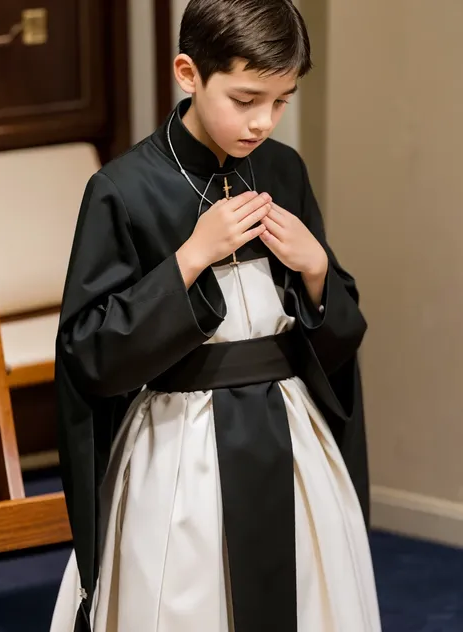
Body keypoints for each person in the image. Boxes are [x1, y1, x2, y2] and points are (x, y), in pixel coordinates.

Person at [50, 0, 381, 630]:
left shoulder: (283, 169)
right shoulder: (123, 189)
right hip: (181, 443)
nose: (263, 122)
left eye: (281, 102)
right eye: (246, 98)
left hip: (289, 435)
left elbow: (338, 333)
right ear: (188, 73)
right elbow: (89, 352)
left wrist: (315, 271)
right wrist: (189, 260)